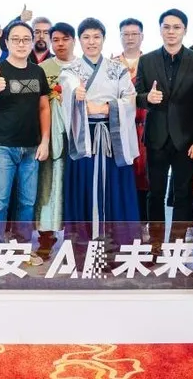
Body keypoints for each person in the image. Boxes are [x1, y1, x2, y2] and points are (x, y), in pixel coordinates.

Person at [135, 9, 193, 254]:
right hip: (156, 137)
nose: (171, 32)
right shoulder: (147, 60)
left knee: (183, 193)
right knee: (155, 193)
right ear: (160, 30)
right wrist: (147, 98)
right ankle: (156, 244)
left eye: (176, 27)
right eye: (166, 27)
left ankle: (177, 245)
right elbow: (136, 96)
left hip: (187, 140)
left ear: (185, 31)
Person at [58, 18, 139, 254]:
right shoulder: (70, 70)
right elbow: (70, 87)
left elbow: (129, 98)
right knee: (83, 187)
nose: (91, 42)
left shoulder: (117, 69)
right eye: (86, 37)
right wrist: (77, 95)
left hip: (113, 136)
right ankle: (83, 247)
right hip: (84, 137)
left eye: (96, 37)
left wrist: (106, 108)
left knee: (115, 188)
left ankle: (118, 246)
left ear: (104, 39)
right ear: (79, 41)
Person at [0, 21, 50, 258]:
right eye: (15, 39)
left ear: (32, 42)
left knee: (27, 202)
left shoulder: (37, 72)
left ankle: (23, 247)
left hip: (31, 148)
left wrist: (45, 141)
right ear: (6, 42)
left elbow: (44, 108)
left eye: (26, 39)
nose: (21, 44)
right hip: (1, 147)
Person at [36, 22, 75, 259]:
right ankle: (46, 237)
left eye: (65, 39)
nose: (60, 44)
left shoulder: (83, 67)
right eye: (56, 40)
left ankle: (75, 238)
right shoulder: (42, 69)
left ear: (74, 41)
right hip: (50, 137)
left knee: (74, 186)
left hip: (77, 138)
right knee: (48, 186)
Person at [115, 18, 149, 235]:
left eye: (134, 34)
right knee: (121, 175)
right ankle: (121, 225)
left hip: (144, 128)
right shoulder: (111, 65)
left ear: (142, 36)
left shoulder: (151, 62)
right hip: (118, 129)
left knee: (144, 177)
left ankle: (143, 224)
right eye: (125, 34)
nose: (130, 38)